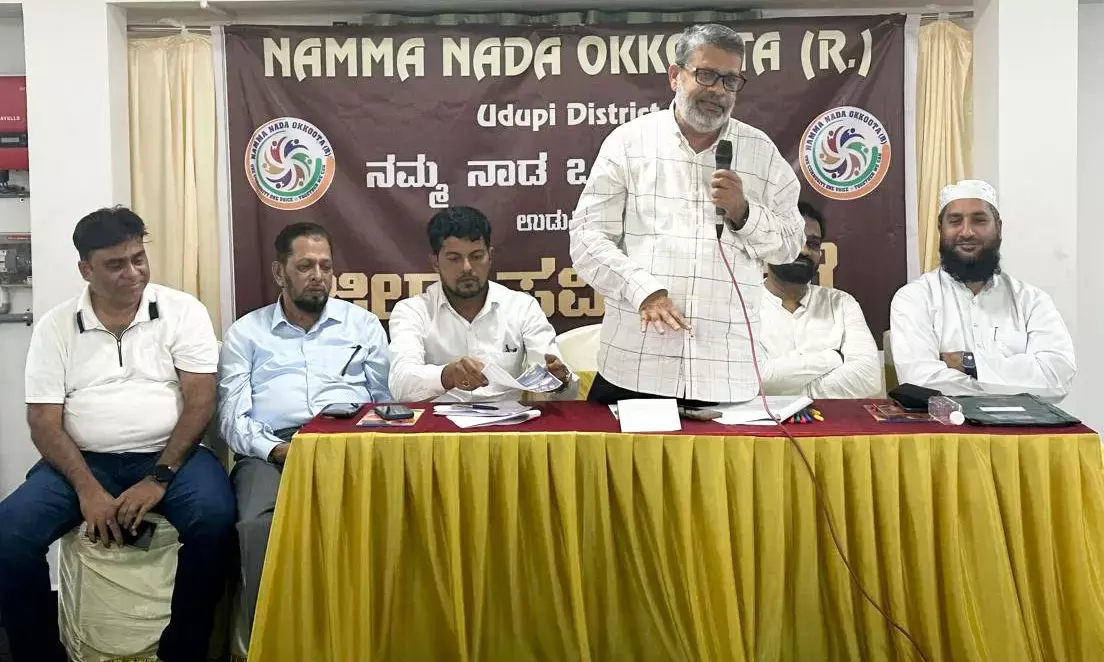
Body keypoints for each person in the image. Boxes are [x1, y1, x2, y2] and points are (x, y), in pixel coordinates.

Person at [0, 207, 235, 662]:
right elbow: (43, 420)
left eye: (138, 258)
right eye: (115, 264)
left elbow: (200, 400)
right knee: (9, 535)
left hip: (172, 456)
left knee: (215, 521)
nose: (133, 273)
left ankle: (183, 651)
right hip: (82, 461)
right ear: (85, 270)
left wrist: (159, 477)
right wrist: (86, 488)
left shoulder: (182, 311)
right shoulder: (56, 326)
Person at [570, 23, 804, 405]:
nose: (718, 91)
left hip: (724, 374)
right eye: (706, 75)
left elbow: (791, 245)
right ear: (675, 76)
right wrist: (643, 291)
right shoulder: (629, 143)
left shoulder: (760, 152)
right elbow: (587, 238)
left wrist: (744, 212)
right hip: (637, 366)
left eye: (730, 80)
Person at [217, 221, 391, 638]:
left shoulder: (363, 325)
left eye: (325, 266)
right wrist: (276, 450)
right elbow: (231, 418)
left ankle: (368, 635)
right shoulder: (246, 333)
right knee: (256, 525)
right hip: (273, 451)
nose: (318, 276)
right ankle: (270, 640)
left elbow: (386, 402)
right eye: (305, 266)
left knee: (384, 517)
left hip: (350, 446)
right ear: (280, 273)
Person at [890, 179, 1076, 401]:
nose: (967, 232)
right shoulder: (914, 298)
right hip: (945, 424)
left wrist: (969, 363)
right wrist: (1021, 381)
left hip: (1025, 424)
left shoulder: (1032, 300)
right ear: (941, 229)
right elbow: (920, 382)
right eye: (955, 221)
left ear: (998, 227)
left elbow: (1057, 378)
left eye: (979, 220)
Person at [388, 206, 576, 402]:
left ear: (490, 256)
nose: (467, 268)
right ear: (435, 263)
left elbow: (562, 387)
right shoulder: (412, 311)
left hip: (509, 419)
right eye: (454, 259)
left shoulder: (522, 307)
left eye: (476, 256)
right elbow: (400, 385)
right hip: (437, 419)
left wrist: (560, 381)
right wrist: (448, 375)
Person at [758, 202, 880, 398]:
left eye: (813, 244)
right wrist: (833, 358)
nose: (804, 250)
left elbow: (867, 378)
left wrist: (798, 395)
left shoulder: (841, 303)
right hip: (763, 419)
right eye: (793, 240)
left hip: (832, 418)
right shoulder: (741, 305)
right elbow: (751, 379)